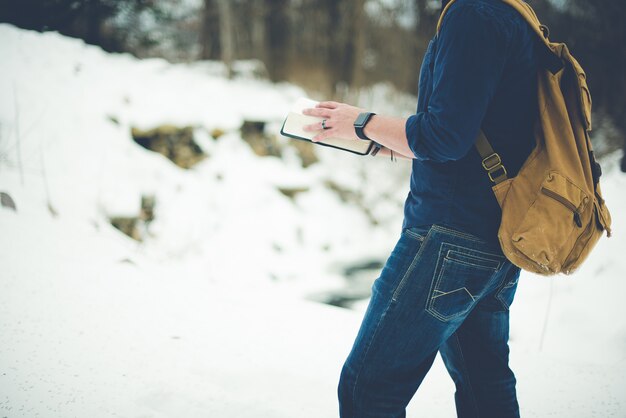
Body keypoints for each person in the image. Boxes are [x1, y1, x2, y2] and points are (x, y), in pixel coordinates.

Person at [302, 0, 540, 416]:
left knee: (367, 391)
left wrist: (362, 120)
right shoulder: (512, 15)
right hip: (496, 238)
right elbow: (474, 137)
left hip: (448, 236)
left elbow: (444, 138)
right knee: (485, 385)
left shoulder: (473, 14)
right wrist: (374, 139)